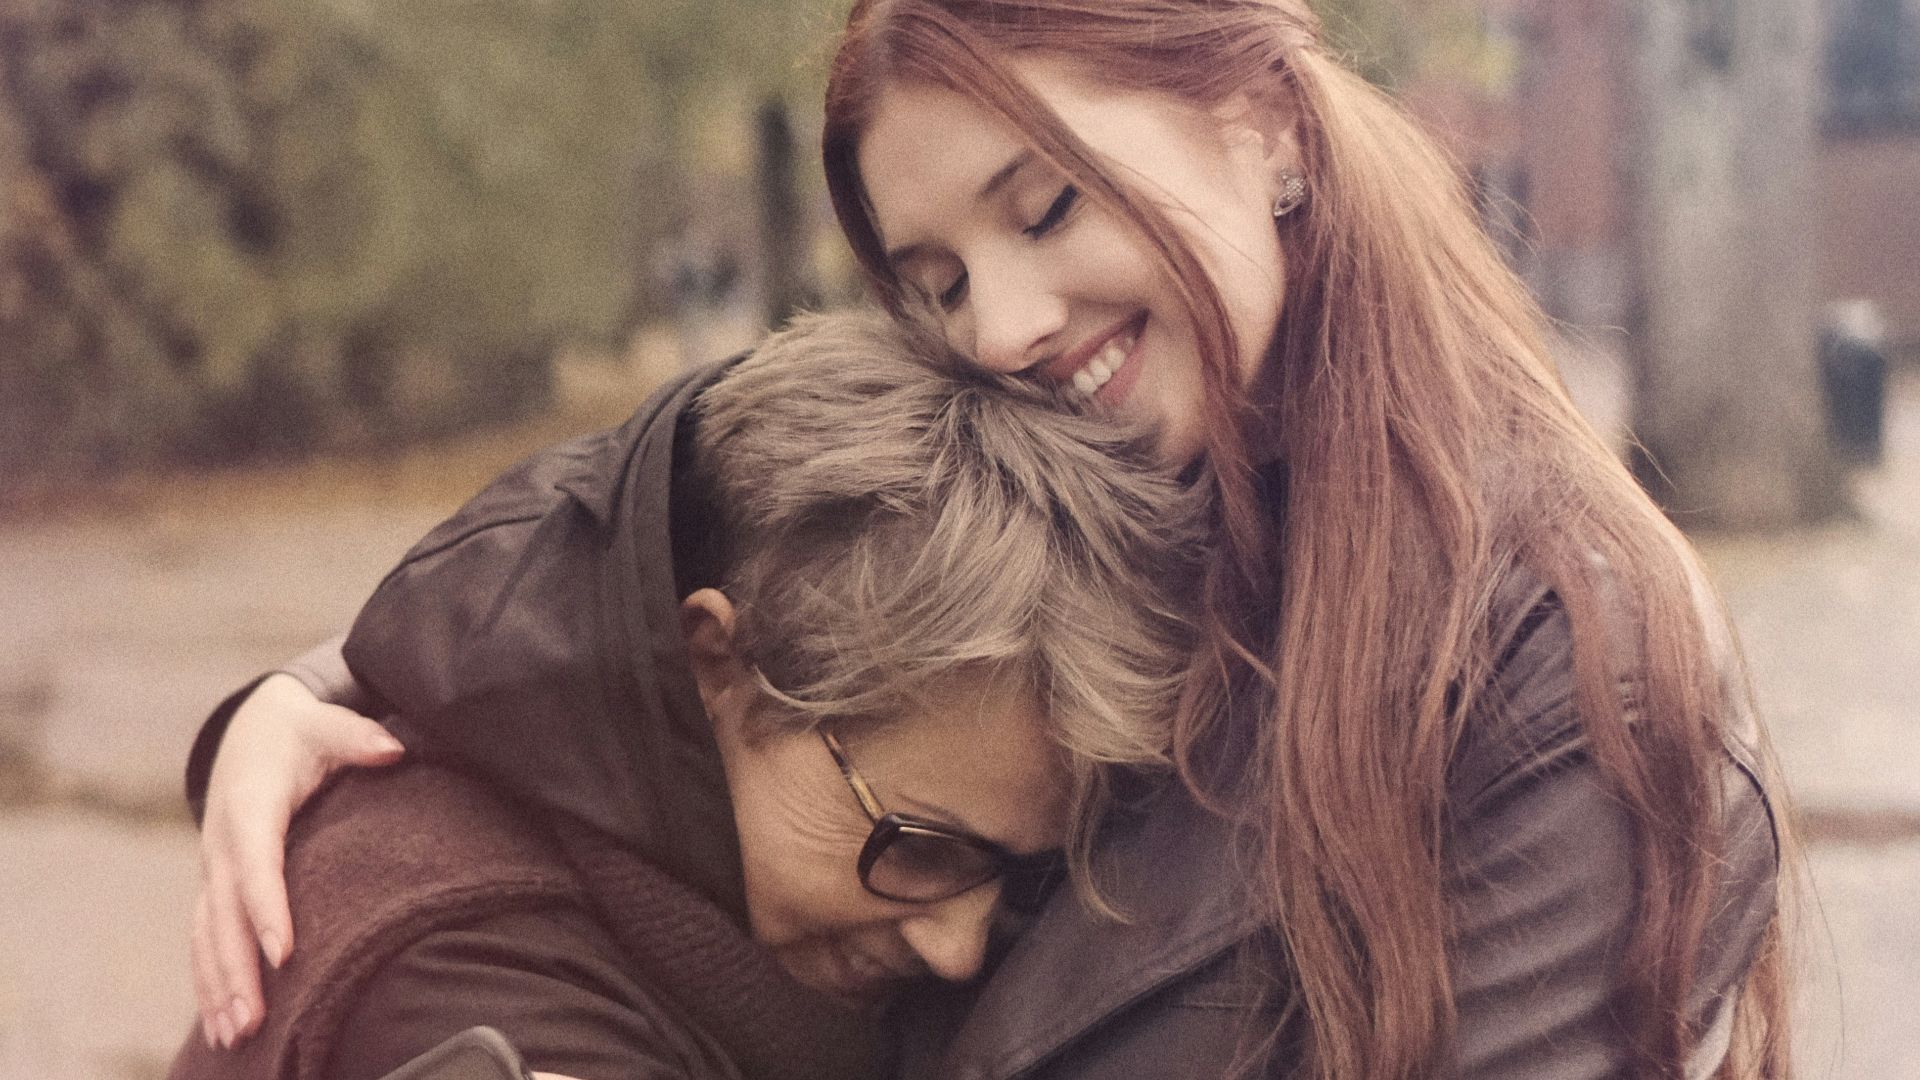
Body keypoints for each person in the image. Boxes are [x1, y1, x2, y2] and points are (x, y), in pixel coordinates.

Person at [189, 2, 1790, 1077]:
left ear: (1269, 124)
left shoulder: (1556, 682)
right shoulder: (1061, 469)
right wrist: (319, 697)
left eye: (1047, 209)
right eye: (935, 278)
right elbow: (639, 549)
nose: (1005, 326)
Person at [169, 310, 1204, 1080]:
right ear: (713, 660)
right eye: (922, 847)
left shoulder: (613, 825)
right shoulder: (466, 987)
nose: (959, 947)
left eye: (1022, 882)